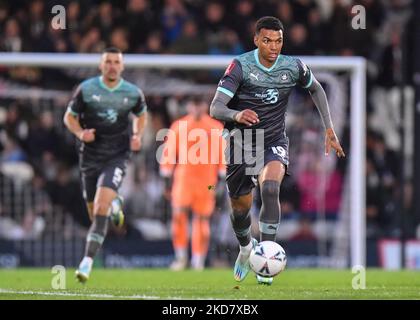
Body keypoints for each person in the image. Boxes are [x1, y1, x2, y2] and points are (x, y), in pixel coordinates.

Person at [209, 16, 345, 285]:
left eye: (279, 40)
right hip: (242, 145)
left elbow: (316, 89)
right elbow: (216, 108)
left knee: (270, 189)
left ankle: (266, 260)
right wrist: (237, 115)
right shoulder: (240, 66)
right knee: (240, 209)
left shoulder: (293, 66)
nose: (274, 46)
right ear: (257, 40)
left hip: (273, 141)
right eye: (268, 40)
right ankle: (247, 248)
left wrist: (328, 127)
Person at [63, 47, 147, 283]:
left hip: (117, 156)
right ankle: (114, 204)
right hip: (89, 158)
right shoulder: (87, 89)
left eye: (116, 62)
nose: (112, 65)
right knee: (95, 213)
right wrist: (80, 133)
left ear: (122, 66)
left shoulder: (132, 93)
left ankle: (86, 262)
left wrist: (137, 135)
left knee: (100, 208)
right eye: (107, 61)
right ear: (101, 65)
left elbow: (142, 115)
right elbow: (68, 117)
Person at [160, 98, 225, 270]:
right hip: (183, 179)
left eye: (200, 103)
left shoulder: (216, 128)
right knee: (178, 216)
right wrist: (166, 179)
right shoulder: (179, 126)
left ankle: (198, 261)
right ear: (189, 105)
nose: (197, 107)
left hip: (207, 182)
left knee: (202, 220)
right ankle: (181, 257)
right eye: (194, 103)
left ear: (205, 105)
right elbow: (169, 154)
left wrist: (222, 180)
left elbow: (223, 157)